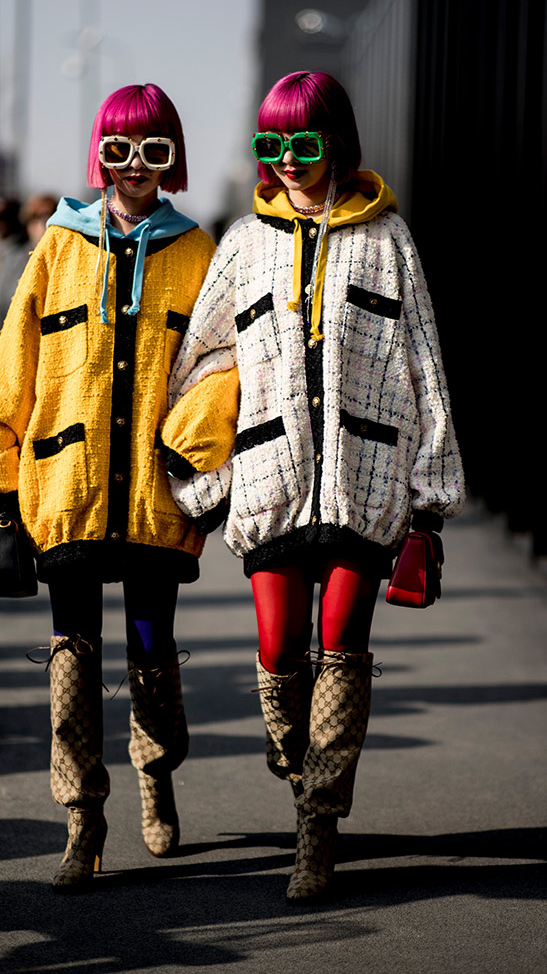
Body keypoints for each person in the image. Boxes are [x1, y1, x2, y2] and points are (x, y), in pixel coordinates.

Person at [162, 71, 465, 902]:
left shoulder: (386, 237)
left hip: (365, 480)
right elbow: (197, 362)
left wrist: (429, 492)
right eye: (272, 144)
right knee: (276, 651)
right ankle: (299, 759)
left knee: (341, 646)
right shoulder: (242, 242)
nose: (288, 160)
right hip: (270, 478)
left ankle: (317, 828)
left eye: (304, 142)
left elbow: (423, 362)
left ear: (336, 141)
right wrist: (204, 467)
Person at [0, 83, 216, 891]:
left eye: (152, 152)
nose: (134, 167)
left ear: (172, 159)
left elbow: (219, 368)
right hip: (64, 485)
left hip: (152, 489)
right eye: (118, 150)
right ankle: (83, 817)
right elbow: (15, 363)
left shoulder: (197, 250)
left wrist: (197, 448)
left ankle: (156, 770)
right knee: (73, 652)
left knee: (149, 646)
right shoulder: (59, 246)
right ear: (98, 155)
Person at [0, 193, 58, 397]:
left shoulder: (71, 258)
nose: (42, 225)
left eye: (48, 216)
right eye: (35, 219)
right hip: (15, 357)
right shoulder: (12, 261)